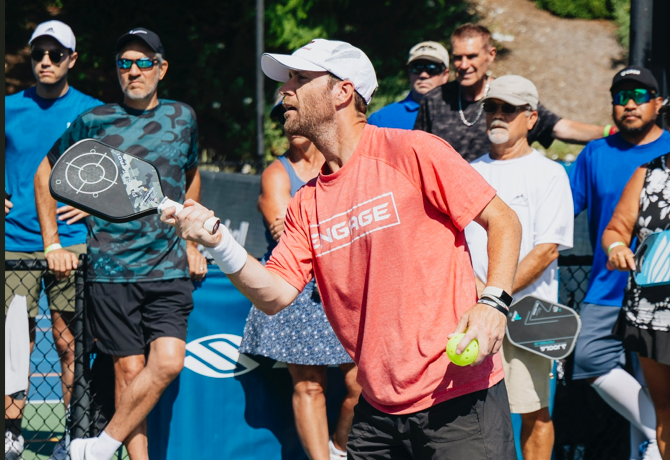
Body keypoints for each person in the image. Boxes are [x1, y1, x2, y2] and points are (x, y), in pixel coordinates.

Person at [164, 38, 523, 459]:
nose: (285, 90)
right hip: (376, 411)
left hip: (458, 399)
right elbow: (276, 294)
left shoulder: (412, 151)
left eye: (300, 78)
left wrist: (494, 302)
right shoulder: (307, 202)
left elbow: (503, 219)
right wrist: (219, 241)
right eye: (288, 79)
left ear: (342, 91)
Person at [33, 28, 207, 460]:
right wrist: (52, 242)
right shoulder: (95, 121)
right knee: (128, 373)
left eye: (144, 62)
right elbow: (46, 172)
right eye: (125, 63)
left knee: (167, 362)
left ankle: (97, 447)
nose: (133, 70)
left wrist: (190, 238)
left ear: (161, 68)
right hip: (111, 272)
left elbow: (191, 175)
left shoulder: (183, 117)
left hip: (168, 269)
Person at [239, 103, 361, 460]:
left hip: (339, 285)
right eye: (279, 119)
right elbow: (285, 230)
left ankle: (339, 449)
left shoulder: (341, 162)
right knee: (309, 385)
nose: (288, 125)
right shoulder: (276, 174)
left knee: (361, 384)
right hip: (296, 288)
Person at [4, 20, 103, 460]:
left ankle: (73, 434)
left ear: (72, 59)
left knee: (69, 342)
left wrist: (95, 205)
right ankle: (10, 431)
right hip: (14, 243)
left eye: (55, 54)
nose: (45, 61)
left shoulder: (94, 111)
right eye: (38, 53)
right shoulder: (8, 108)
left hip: (74, 243)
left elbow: (113, 174)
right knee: (13, 342)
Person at [464, 75, 574, 460]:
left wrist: (494, 296)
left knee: (535, 414)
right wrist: (480, 297)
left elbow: (546, 252)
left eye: (508, 109)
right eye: (491, 107)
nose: (497, 115)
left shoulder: (550, 174)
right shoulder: (465, 171)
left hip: (529, 320)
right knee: (472, 417)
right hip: (472, 314)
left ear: (531, 118)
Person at [570, 66, 670, 460]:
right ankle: (655, 434)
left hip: (659, 300)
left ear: (658, 103)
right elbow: (566, 210)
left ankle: (652, 442)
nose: (629, 104)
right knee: (588, 356)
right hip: (609, 287)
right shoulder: (597, 153)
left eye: (640, 96)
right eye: (621, 96)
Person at [414, 23, 610, 162]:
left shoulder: (510, 95)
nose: (464, 65)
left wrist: (610, 132)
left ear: (491, 55)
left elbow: (560, 128)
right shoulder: (435, 100)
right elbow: (417, 153)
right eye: (458, 58)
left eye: (472, 56)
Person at [603, 98, 670, 458]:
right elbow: (616, 229)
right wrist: (616, 248)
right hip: (651, 317)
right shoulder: (647, 174)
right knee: (666, 414)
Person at [367, 41, 449, 129]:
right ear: (409, 72)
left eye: (432, 68)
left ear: (445, 75)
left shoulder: (461, 115)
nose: (423, 75)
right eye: (417, 67)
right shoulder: (380, 120)